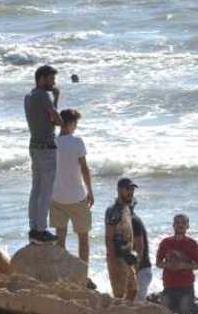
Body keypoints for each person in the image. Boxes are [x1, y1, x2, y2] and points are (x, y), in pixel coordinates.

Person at [49, 109, 94, 263]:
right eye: (75, 123)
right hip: (77, 196)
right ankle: (83, 274)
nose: (76, 126)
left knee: (60, 238)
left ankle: (63, 275)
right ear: (71, 123)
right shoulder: (77, 142)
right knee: (83, 239)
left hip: (57, 196)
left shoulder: (52, 142)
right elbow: (84, 169)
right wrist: (90, 191)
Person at [24, 65, 62, 243]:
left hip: (34, 145)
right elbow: (57, 119)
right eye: (51, 79)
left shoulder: (29, 96)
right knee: (46, 191)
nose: (53, 83)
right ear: (42, 78)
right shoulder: (43, 96)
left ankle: (33, 228)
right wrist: (56, 98)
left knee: (36, 189)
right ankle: (41, 230)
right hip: (46, 147)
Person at [155, 213, 198, 314]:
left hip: (186, 287)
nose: (180, 225)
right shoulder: (165, 242)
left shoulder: (192, 244)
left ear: (187, 226)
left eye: (183, 223)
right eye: (177, 223)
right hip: (168, 286)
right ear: (173, 225)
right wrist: (169, 265)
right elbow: (158, 263)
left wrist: (183, 266)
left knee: (185, 311)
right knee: (163, 313)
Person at [104, 178, 142, 300]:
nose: (131, 192)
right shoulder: (114, 210)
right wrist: (114, 261)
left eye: (132, 189)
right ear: (119, 190)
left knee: (133, 290)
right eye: (128, 189)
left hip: (127, 257)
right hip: (117, 257)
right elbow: (109, 238)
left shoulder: (127, 207)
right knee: (119, 295)